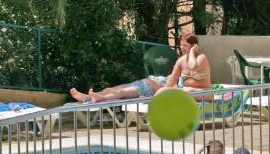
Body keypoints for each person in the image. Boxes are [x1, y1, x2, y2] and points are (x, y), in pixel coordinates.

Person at [70, 34, 211, 103]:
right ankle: (88, 97)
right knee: (118, 88)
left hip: (156, 86)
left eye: (185, 46)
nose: (181, 48)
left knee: (121, 92)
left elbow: (193, 66)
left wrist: (192, 52)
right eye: (182, 46)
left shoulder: (201, 58)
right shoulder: (181, 60)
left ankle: (97, 98)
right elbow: (170, 82)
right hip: (156, 82)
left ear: (194, 46)